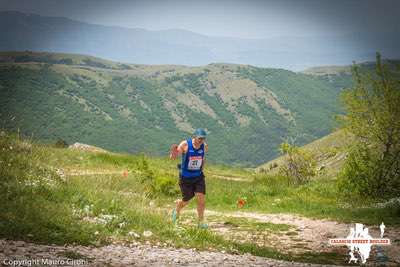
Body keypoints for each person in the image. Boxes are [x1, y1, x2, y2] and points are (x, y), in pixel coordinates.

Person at [169, 128, 208, 229]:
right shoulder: (185, 144)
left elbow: (202, 159)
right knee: (186, 200)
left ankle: (201, 222)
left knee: (201, 199)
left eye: (203, 138)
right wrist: (173, 152)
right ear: (194, 137)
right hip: (185, 177)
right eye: (199, 138)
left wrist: (201, 170)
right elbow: (174, 157)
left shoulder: (204, 146)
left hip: (198, 177)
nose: (201, 140)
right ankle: (177, 209)